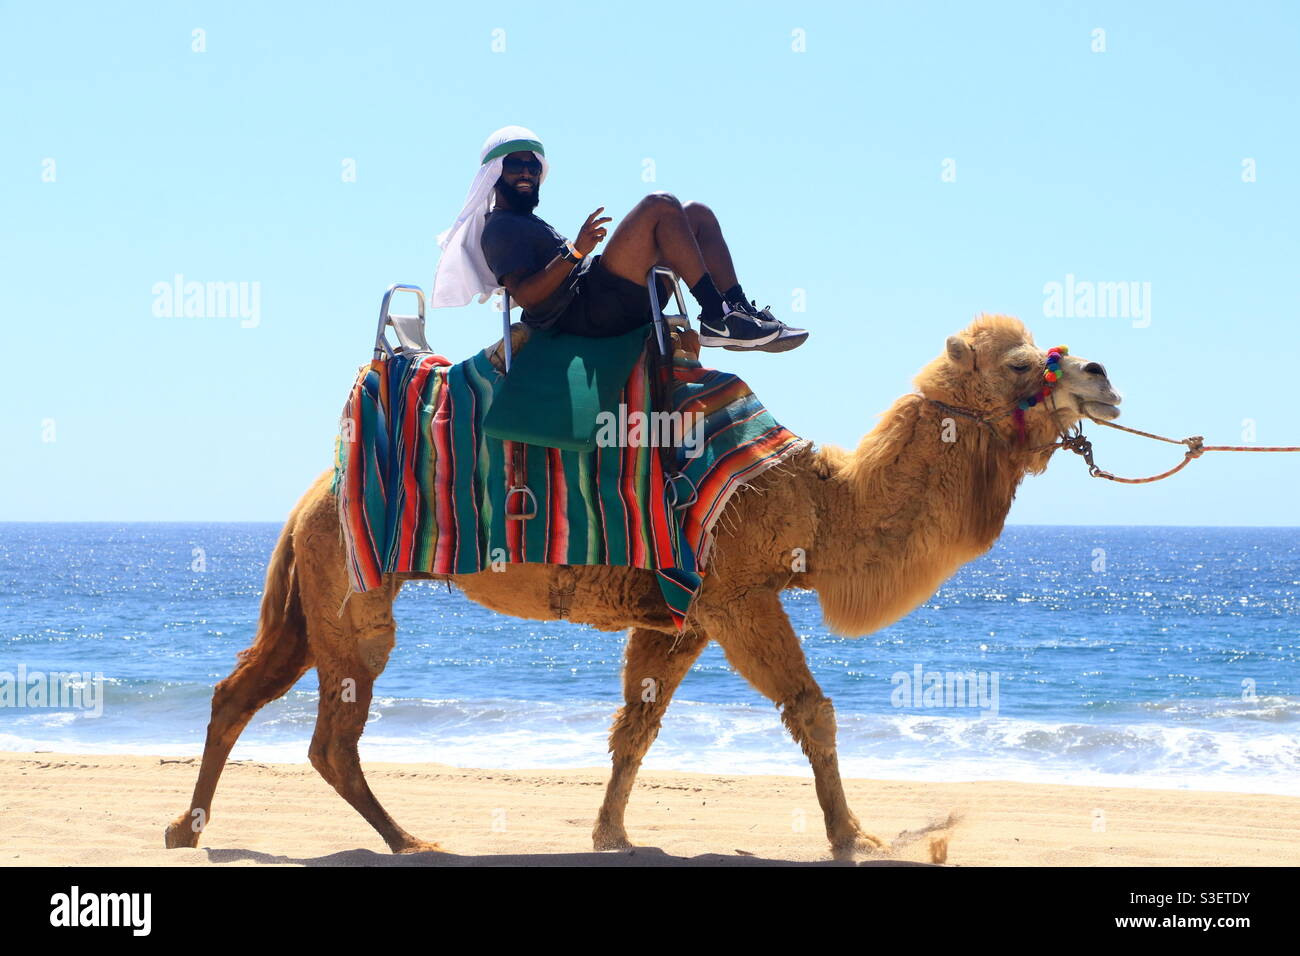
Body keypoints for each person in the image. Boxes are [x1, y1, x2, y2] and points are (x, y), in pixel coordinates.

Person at [432, 125, 807, 352]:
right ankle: (714, 316)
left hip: (605, 298)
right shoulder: (500, 227)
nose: (527, 172)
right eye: (516, 165)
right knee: (659, 205)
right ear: (495, 173)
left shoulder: (527, 222)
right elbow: (527, 296)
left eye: (533, 165)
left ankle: (734, 310)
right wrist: (575, 250)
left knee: (696, 215)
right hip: (587, 312)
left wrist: (576, 252)